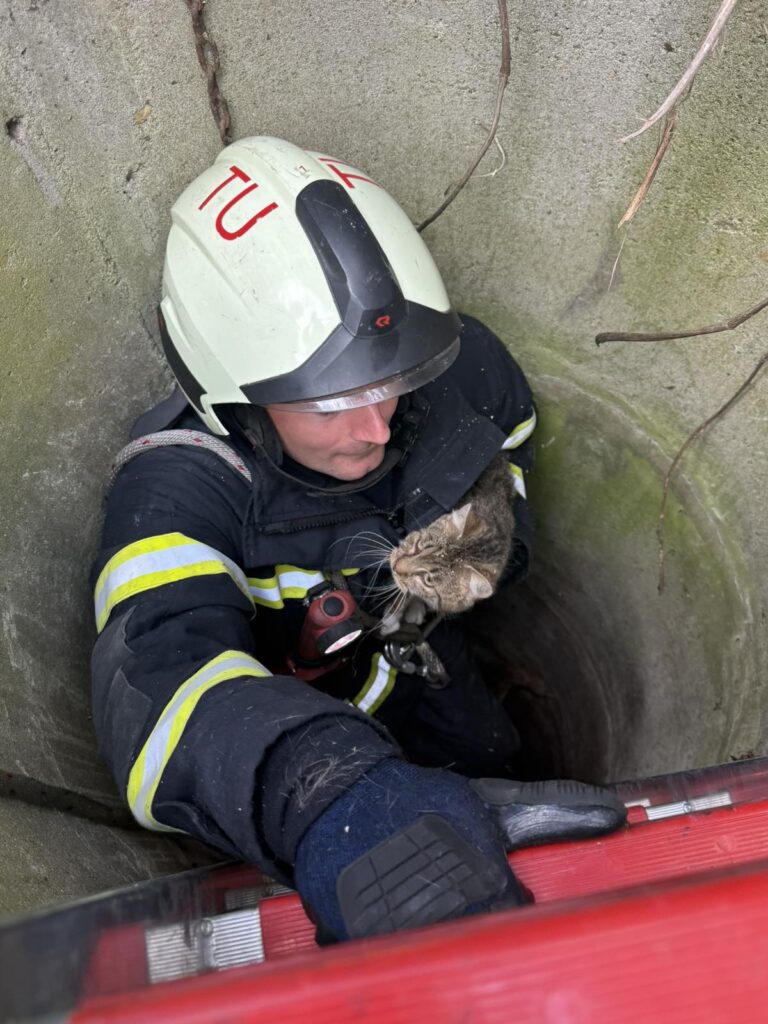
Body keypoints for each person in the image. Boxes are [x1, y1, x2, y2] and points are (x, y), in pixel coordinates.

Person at [91, 136, 625, 942]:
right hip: (302, 737)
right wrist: (321, 789)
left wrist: (492, 529)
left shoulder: (456, 365)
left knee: (496, 749)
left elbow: (508, 437)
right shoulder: (178, 490)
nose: (376, 428)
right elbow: (156, 688)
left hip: (430, 678)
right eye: (330, 404)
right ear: (232, 388)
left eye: (389, 386)